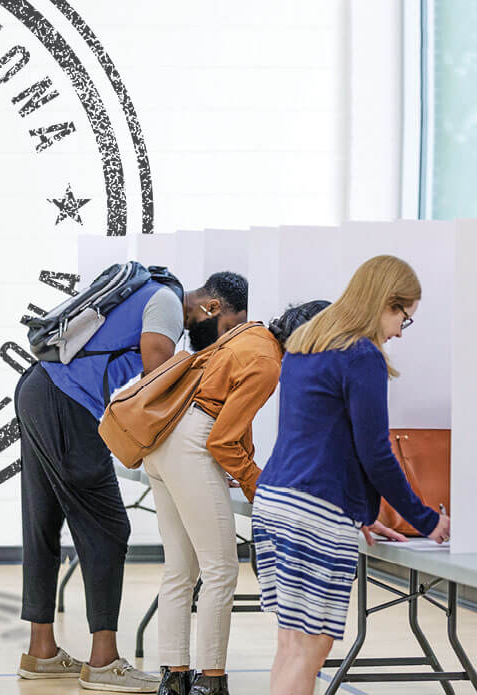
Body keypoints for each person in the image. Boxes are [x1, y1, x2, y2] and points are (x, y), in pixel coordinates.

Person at [253, 255, 451, 695]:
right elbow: (376, 454)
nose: (400, 331)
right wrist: (426, 519)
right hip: (314, 513)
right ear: (386, 303)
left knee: (290, 646)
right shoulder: (361, 355)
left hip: (276, 501)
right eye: (404, 317)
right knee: (308, 653)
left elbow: (324, 440)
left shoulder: (306, 342)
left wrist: (358, 510)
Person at [148, 293, 331, 695]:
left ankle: (174, 679)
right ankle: (210, 681)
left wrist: (243, 463)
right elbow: (221, 440)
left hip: (162, 441)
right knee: (221, 571)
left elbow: (231, 418)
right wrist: (259, 488)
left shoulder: (252, 334)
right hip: (192, 445)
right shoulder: (270, 364)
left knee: (180, 570)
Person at [15, 265, 186, 693]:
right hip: (69, 402)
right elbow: (157, 366)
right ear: (211, 306)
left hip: (38, 387)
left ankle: (41, 652)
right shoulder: (167, 301)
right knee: (109, 528)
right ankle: (104, 661)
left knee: (42, 522)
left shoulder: (137, 292)